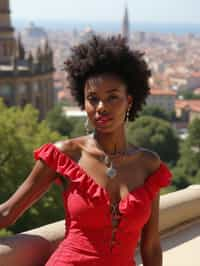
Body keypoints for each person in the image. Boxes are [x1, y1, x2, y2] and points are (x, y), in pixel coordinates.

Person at [0, 35, 172, 266]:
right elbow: (7, 212)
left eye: (112, 97)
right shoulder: (64, 155)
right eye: (93, 98)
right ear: (84, 103)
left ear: (129, 101)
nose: (101, 107)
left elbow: (151, 246)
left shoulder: (148, 165)